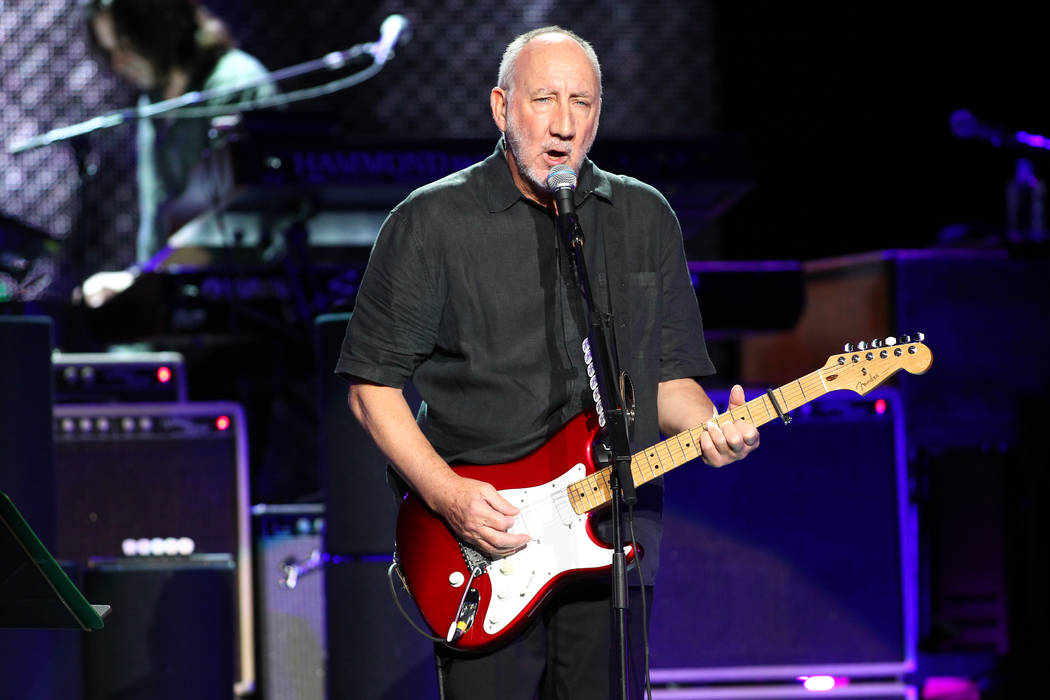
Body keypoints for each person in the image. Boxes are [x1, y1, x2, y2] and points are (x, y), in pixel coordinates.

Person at [336, 26, 760, 699]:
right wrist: (450, 497)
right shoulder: (433, 221)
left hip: (615, 536)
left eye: (581, 103)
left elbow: (668, 380)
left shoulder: (643, 216)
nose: (562, 124)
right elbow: (371, 388)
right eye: (543, 99)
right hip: (484, 542)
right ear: (502, 108)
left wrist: (712, 428)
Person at [85, 0, 274, 266]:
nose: (118, 63)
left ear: (161, 25)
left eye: (126, 46)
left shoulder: (236, 82)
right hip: (174, 294)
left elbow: (245, 218)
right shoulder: (151, 104)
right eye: (110, 51)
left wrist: (146, 280)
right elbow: (155, 225)